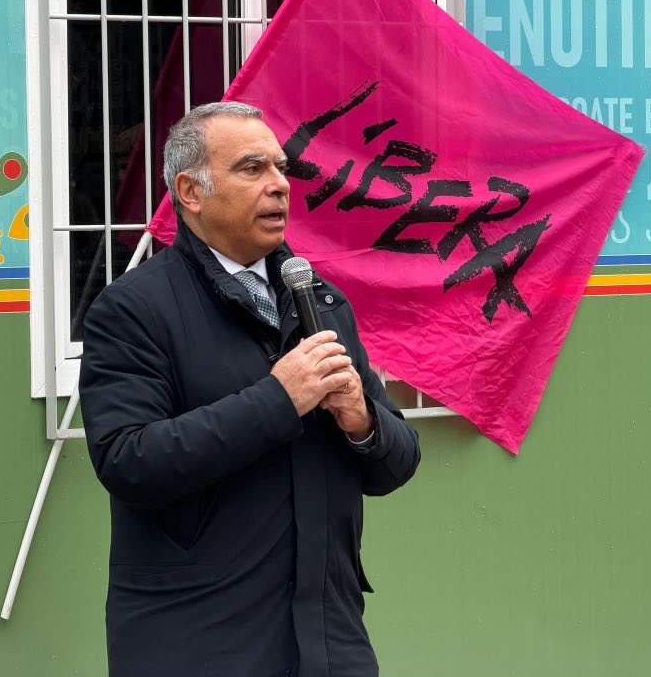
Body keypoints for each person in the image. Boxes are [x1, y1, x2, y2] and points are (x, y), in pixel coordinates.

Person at [79, 101, 421, 677]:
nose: (280, 186)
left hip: (328, 638)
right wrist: (278, 398)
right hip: (200, 642)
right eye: (252, 169)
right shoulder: (133, 309)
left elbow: (398, 464)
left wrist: (362, 420)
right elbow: (127, 459)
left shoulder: (321, 302)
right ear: (190, 191)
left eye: (282, 168)